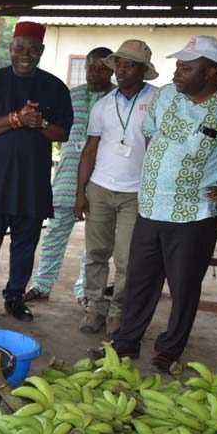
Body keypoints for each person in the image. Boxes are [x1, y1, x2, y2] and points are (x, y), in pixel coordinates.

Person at [100, 35, 217, 371]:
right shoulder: (165, 96)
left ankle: (170, 348)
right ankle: (126, 341)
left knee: (184, 285)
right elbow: (149, 133)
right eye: (177, 66)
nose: (177, 73)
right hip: (151, 206)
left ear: (211, 72)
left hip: (196, 213)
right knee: (140, 279)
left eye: (186, 68)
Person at [0, 21, 74, 321]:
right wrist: (15, 118)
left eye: (32, 49)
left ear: (40, 51)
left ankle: (15, 297)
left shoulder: (55, 87)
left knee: (25, 245)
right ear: (10, 50)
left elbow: (62, 134)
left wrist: (39, 123)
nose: (25, 55)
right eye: (19, 48)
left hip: (32, 182)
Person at [74, 40, 159, 336]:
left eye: (129, 65)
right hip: (100, 188)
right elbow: (90, 150)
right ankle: (94, 308)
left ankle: (118, 312)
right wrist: (80, 192)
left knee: (126, 259)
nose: (121, 70)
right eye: (119, 64)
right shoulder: (103, 105)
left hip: (136, 194)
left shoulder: (159, 101)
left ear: (143, 70)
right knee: (96, 253)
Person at [24, 47, 113, 302]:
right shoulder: (69, 96)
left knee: (96, 240)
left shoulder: (117, 98)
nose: (96, 73)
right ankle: (42, 284)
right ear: (84, 67)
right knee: (55, 232)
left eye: (103, 68)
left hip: (103, 177)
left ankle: (86, 290)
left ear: (112, 70)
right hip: (67, 175)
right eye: (91, 67)